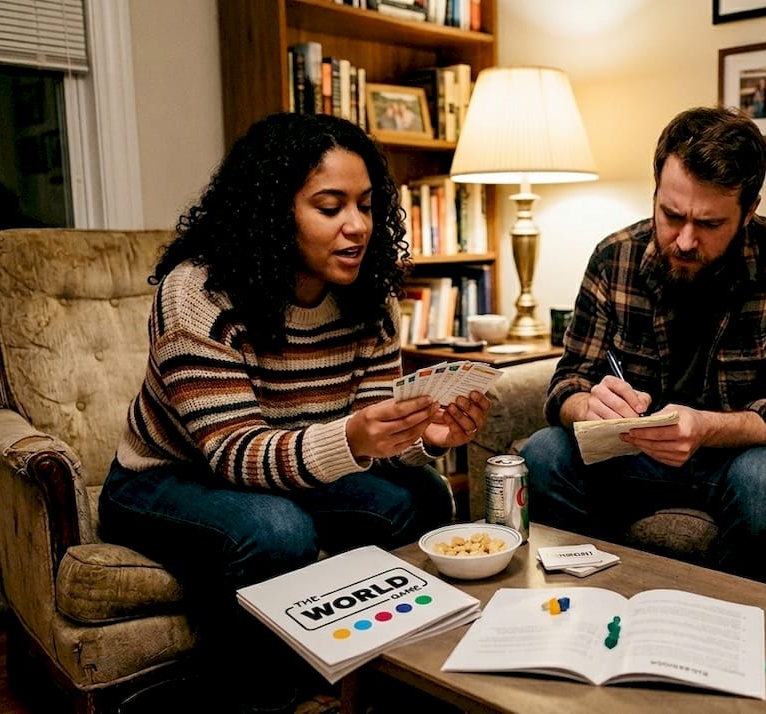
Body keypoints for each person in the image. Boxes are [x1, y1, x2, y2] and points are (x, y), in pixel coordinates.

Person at [98, 112, 490, 712]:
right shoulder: (198, 295)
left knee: (424, 495)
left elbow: (373, 431)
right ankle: (265, 700)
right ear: (273, 212)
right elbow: (233, 454)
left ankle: (394, 684)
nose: (357, 226)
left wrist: (425, 437)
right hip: (165, 480)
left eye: (366, 204)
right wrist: (354, 441)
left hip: (291, 472)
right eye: (330, 207)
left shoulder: (372, 296)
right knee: (278, 531)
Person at [522, 106, 766, 585]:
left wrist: (705, 427)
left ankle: (735, 631)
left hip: (740, 459)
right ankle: (592, 603)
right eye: (671, 215)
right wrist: (588, 406)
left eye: (709, 224)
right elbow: (567, 382)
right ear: (656, 192)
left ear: (748, 211)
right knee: (544, 453)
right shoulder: (614, 257)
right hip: (635, 456)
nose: (685, 240)